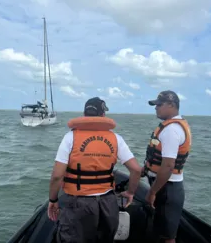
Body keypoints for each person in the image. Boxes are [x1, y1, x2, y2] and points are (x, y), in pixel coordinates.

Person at [47, 97, 142, 243]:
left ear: (85, 114)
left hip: (78, 204)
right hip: (108, 204)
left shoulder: (70, 137)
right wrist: (130, 192)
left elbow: (57, 176)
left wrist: (53, 200)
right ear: (103, 115)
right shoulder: (116, 138)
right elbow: (136, 170)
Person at [141, 90, 192, 243]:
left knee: (167, 237)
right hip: (164, 186)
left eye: (159, 105)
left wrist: (152, 192)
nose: (156, 108)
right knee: (161, 231)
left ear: (171, 105)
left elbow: (168, 167)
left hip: (167, 189)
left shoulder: (171, 130)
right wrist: (145, 170)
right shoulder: (171, 127)